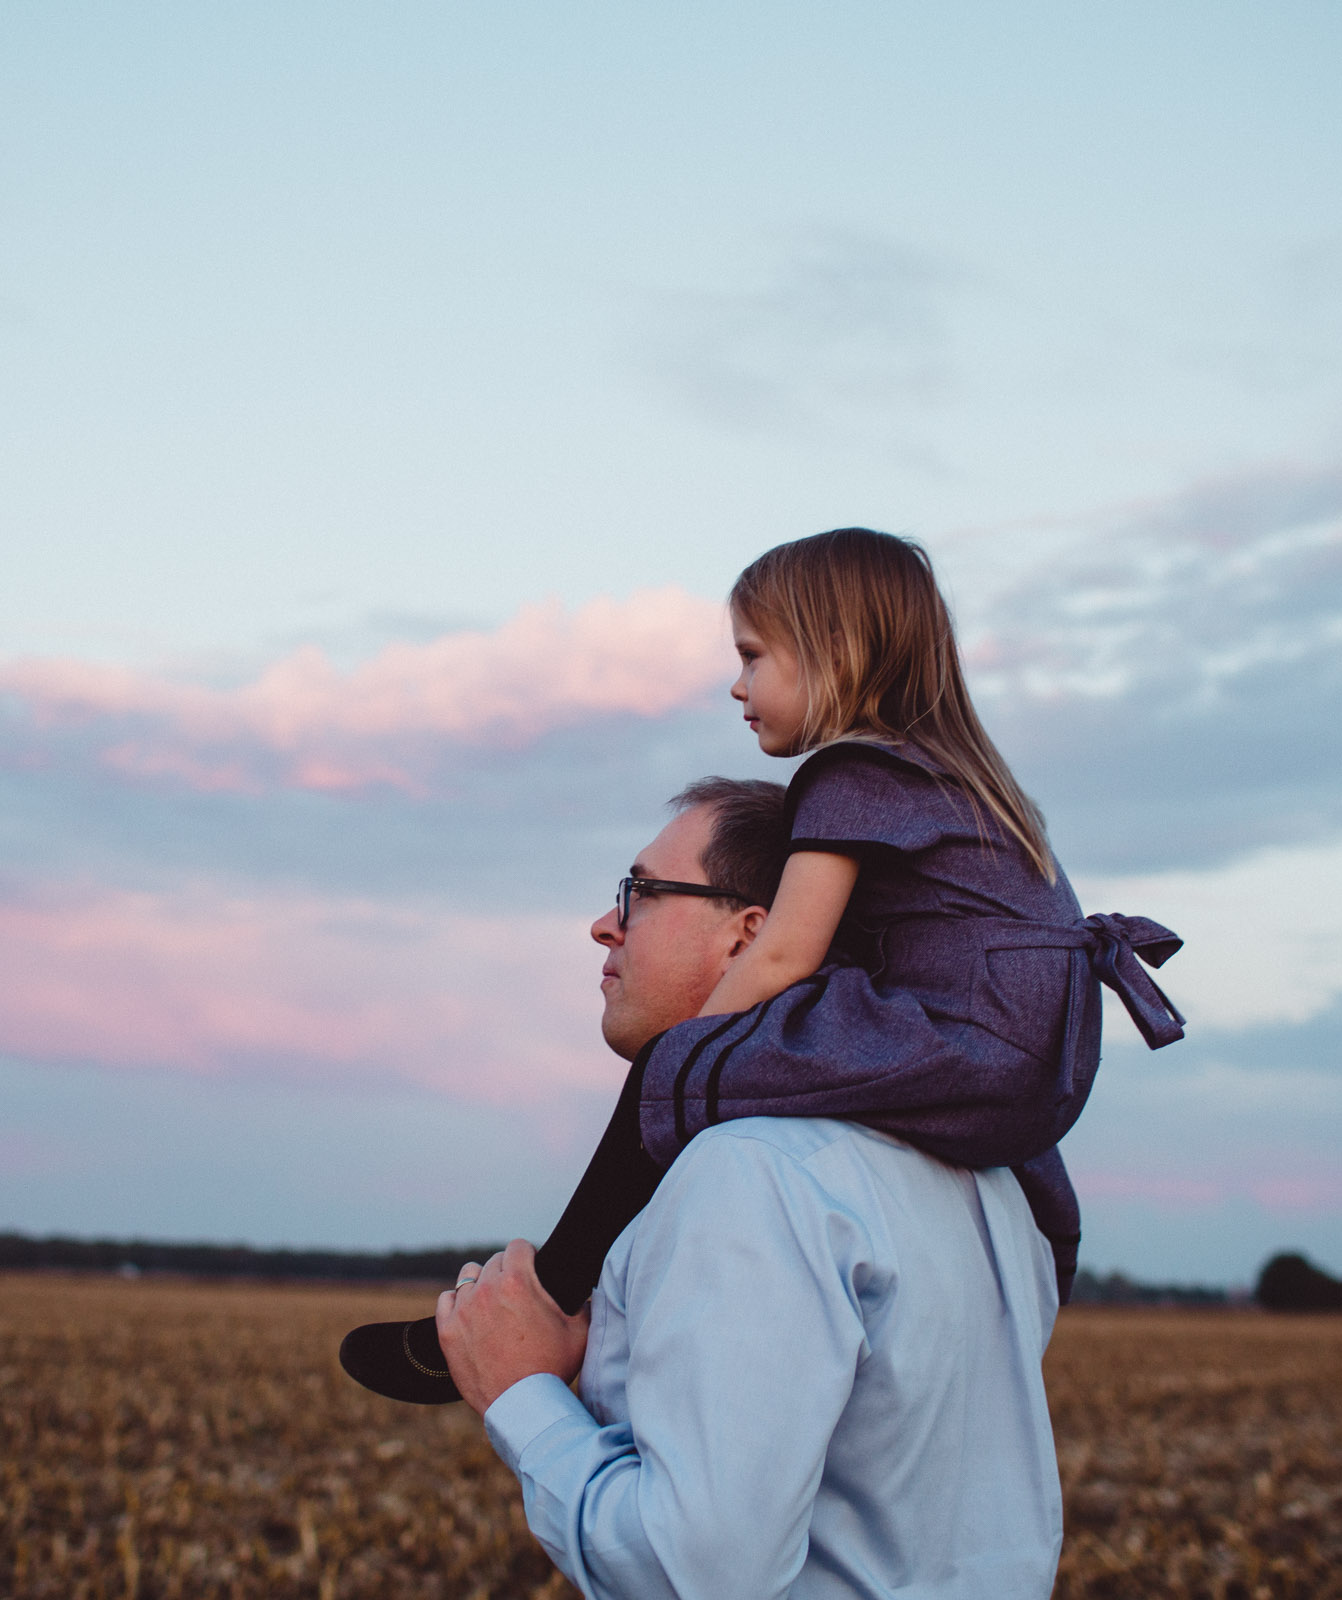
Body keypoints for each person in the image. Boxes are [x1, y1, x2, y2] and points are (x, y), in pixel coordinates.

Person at [340, 527, 1183, 1404]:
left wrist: (690, 1055)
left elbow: (784, 951)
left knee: (675, 1075)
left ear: (833, 651)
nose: (737, 685)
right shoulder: (970, 783)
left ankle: (552, 1295)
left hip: (957, 1030)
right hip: (1038, 1069)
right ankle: (1039, 1282)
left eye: (752, 654)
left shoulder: (851, 774)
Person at [438, 782, 1068, 1598]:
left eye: (640, 892)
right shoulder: (992, 1181)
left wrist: (520, 1394)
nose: (605, 923)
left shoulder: (752, 1171)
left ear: (750, 934)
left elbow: (693, 1573)